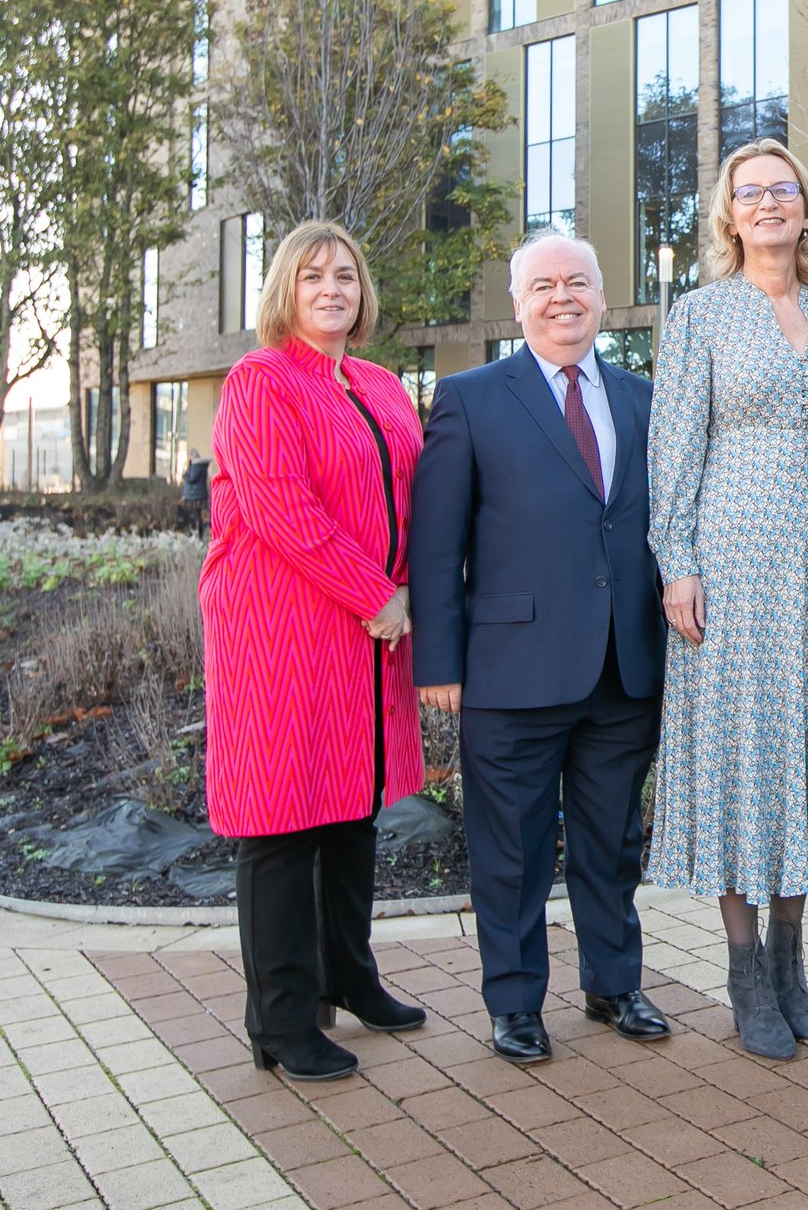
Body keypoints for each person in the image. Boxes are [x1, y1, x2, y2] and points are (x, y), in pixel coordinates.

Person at [650, 139, 808, 1061]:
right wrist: (677, 559)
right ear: (728, 212)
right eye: (748, 193)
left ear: (806, 208)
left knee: (802, 751)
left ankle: (793, 959)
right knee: (740, 756)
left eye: (780, 190)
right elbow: (673, 445)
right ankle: (745, 967)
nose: (765, 205)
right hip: (733, 564)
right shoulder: (701, 314)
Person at [410, 230, 670, 1064]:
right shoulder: (471, 396)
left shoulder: (643, 396)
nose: (564, 298)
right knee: (512, 848)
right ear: (518, 303)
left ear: (602, 295)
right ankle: (515, 1001)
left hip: (622, 665)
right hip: (509, 669)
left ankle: (613, 983)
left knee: (611, 842)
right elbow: (435, 541)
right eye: (545, 285)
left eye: (579, 283)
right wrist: (440, 662)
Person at [201, 220, 428, 1084]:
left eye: (345, 275)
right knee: (282, 819)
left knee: (350, 807)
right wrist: (379, 596)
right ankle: (283, 1020)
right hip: (283, 627)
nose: (331, 288)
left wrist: (407, 592)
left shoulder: (379, 384)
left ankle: (350, 975)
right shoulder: (260, 382)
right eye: (312, 276)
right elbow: (282, 510)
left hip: (368, 632)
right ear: (285, 292)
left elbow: (412, 495)